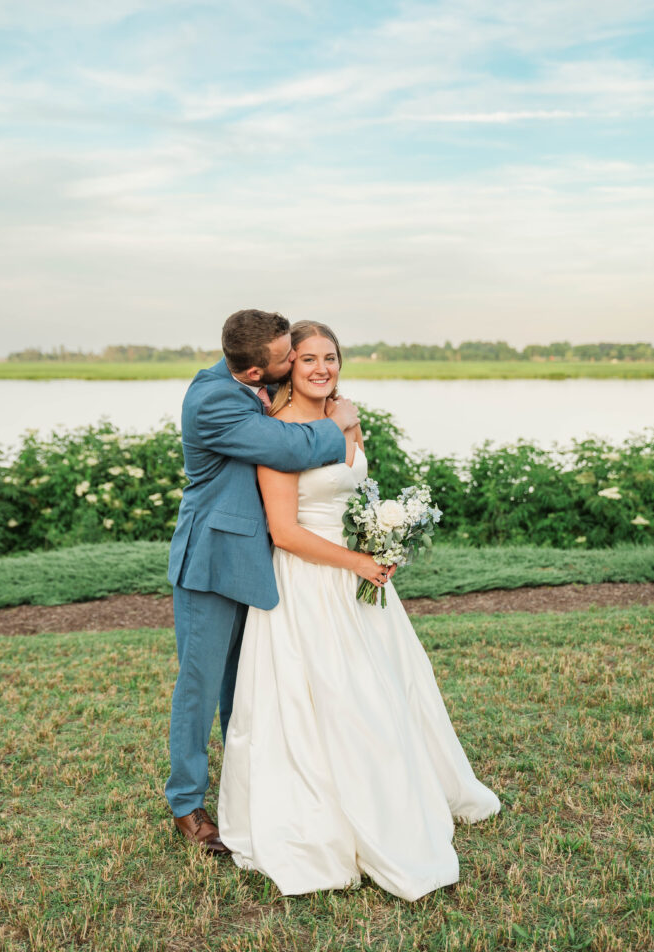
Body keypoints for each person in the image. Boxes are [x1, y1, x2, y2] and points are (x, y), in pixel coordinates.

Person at [218, 320, 501, 900]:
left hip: (360, 576)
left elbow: (355, 490)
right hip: (309, 584)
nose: (322, 368)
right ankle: (331, 821)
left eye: (331, 357)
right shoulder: (276, 433)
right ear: (286, 370)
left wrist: (380, 538)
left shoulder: (346, 415)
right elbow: (284, 532)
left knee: (391, 686)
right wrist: (356, 560)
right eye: (307, 360)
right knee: (339, 699)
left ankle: (406, 789)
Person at [165, 310, 361, 854]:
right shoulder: (214, 401)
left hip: (262, 562)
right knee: (199, 689)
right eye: (287, 358)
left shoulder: (255, 379)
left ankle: (249, 794)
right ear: (255, 371)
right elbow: (286, 449)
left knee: (245, 689)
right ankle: (186, 803)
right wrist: (340, 422)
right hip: (212, 562)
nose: (295, 362)